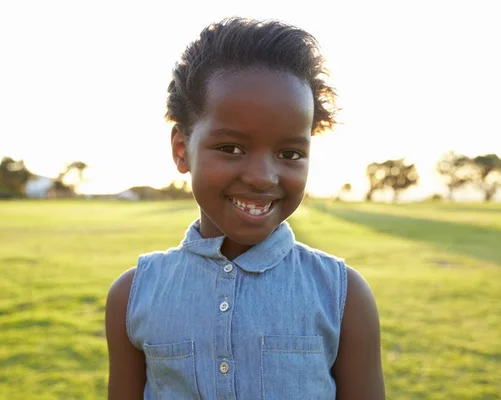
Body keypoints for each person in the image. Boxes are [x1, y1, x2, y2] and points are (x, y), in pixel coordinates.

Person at [105, 17, 385, 400]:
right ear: (182, 149)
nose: (262, 177)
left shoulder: (343, 295)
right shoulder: (133, 295)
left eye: (290, 153)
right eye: (231, 148)